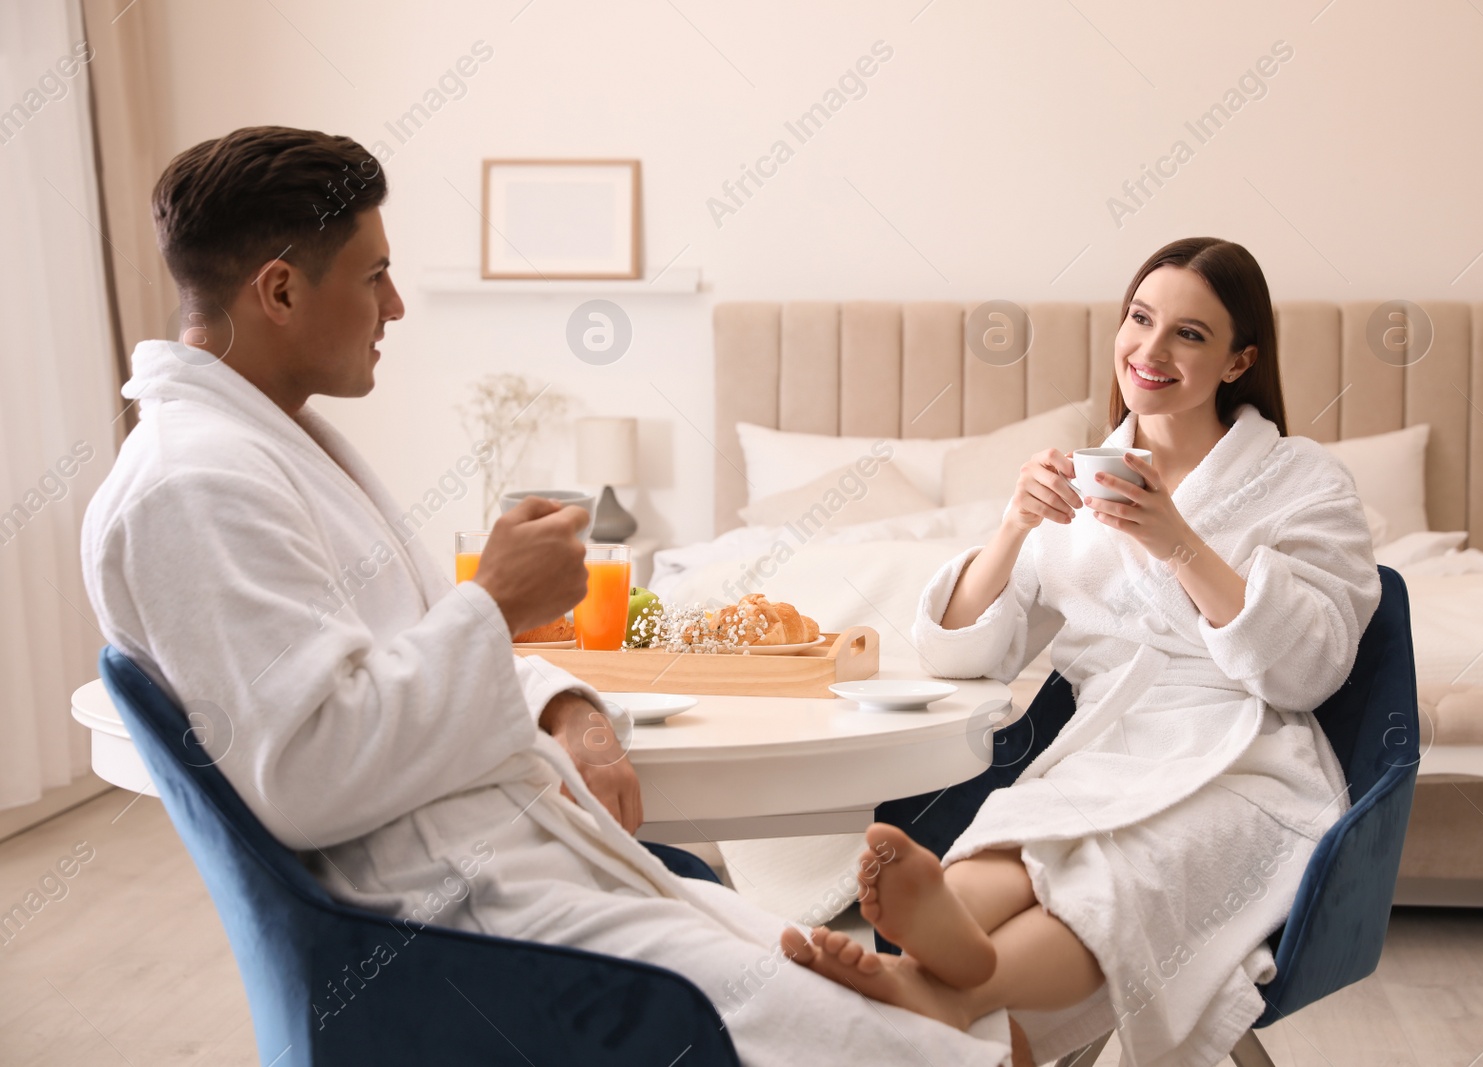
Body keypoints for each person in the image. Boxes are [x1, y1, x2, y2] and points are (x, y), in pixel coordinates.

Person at [80, 126, 1014, 1067]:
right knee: (924, 1041)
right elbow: (314, 772)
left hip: (520, 865)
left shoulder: (268, 450)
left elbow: (390, 671)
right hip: (460, 923)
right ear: (280, 290)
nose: (395, 306)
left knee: (928, 1006)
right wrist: (492, 603)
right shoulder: (194, 487)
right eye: (374, 276)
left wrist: (568, 703)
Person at [784, 237, 1381, 1067]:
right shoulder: (1086, 477)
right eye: (1140, 318)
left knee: (1122, 866)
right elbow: (963, 652)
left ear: (1241, 359)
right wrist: (1013, 527)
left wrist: (1180, 542)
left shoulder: (1302, 481)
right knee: (1026, 837)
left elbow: (1312, 666)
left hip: (1245, 762)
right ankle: (943, 946)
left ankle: (959, 984)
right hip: (1108, 746)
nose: (1151, 349)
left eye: (1190, 334)